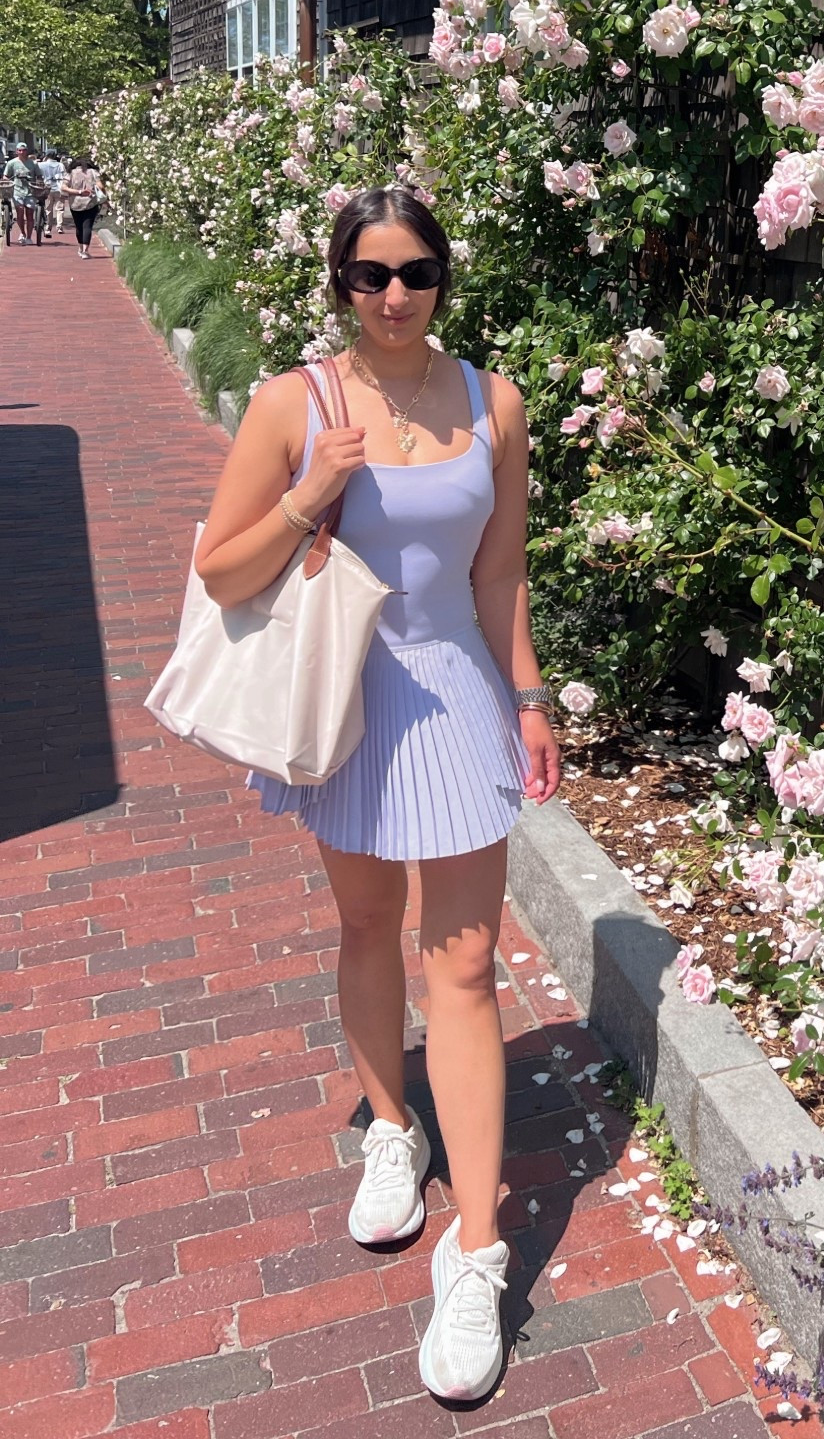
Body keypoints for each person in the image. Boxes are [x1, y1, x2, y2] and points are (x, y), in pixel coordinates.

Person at [191, 185, 561, 1405]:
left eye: (416, 271)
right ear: (340, 282)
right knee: (364, 926)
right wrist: (312, 492)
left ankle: (479, 1250)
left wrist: (531, 697)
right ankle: (392, 1128)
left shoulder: (491, 401)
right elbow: (221, 563)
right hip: (348, 701)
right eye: (370, 273)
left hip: (456, 695)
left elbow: (500, 565)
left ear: (445, 275)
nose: (394, 294)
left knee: (461, 966)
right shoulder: (299, 401)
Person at [3, 144, 44, 245]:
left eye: (24, 150)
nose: (22, 152)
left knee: (30, 214)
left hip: (30, 191)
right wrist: (6, 180)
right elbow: (6, 176)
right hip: (17, 191)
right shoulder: (11, 163)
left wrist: (39, 181)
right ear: (17, 151)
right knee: (20, 211)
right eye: (20, 150)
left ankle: (29, 237)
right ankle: (22, 232)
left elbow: (39, 175)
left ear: (27, 151)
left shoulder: (33, 163)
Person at [66, 155, 105, 259]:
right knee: (87, 226)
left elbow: (63, 187)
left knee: (78, 226)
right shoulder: (92, 172)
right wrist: (103, 194)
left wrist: (78, 192)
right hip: (90, 202)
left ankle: (80, 247)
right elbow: (100, 186)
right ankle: (85, 251)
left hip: (75, 202)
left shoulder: (71, 172)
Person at [39, 153, 67, 236]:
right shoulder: (60, 165)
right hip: (59, 188)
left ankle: (48, 227)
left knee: (48, 209)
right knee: (60, 209)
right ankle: (59, 227)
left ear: (47, 156)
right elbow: (64, 176)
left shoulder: (42, 165)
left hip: (47, 188)